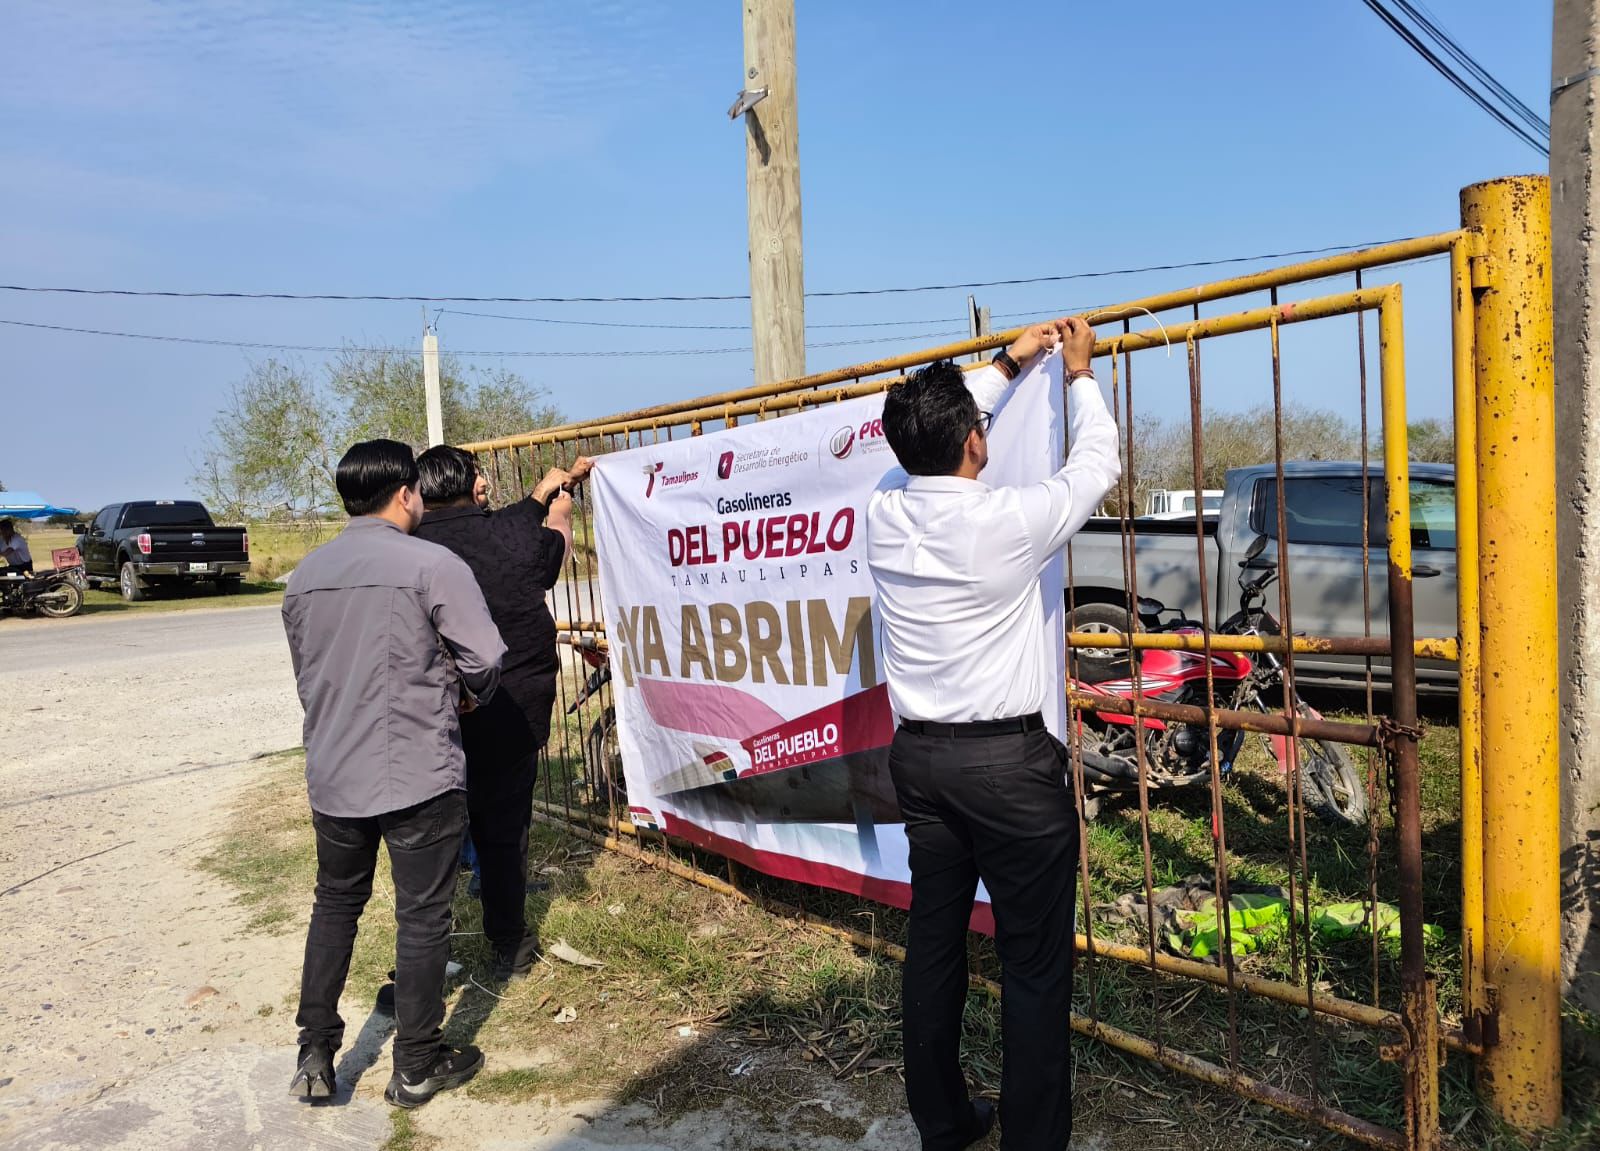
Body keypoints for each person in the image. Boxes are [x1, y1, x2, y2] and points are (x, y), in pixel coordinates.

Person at [866, 317, 1120, 1151]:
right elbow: (1097, 465)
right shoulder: (1007, 519)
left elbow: (931, 431)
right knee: (1034, 966)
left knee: (935, 940)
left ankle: (943, 1124)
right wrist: (1077, 374)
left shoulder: (883, 506)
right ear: (977, 442)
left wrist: (1008, 363)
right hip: (1008, 768)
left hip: (920, 762)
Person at [281, 439, 507, 1109]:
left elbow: (308, 674)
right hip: (417, 773)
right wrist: (466, 695)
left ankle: (315, 1050)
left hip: (333, 771)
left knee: (334, 904)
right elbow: (486, 658)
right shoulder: (432, 563)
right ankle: (415, 1064)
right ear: (407, 493)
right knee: (422, 915)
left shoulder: (304, 575)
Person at [413, 445, 588, 981]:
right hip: (509, 704)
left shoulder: (407, 548)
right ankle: (509, 944)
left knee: (426, 834)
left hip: (427, 711)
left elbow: (509, 520)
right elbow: (551, 549)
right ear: (472, 483)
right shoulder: (510, 538)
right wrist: (561, 507)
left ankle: (422, 958)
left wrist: (542, 493)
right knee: (504, 826)